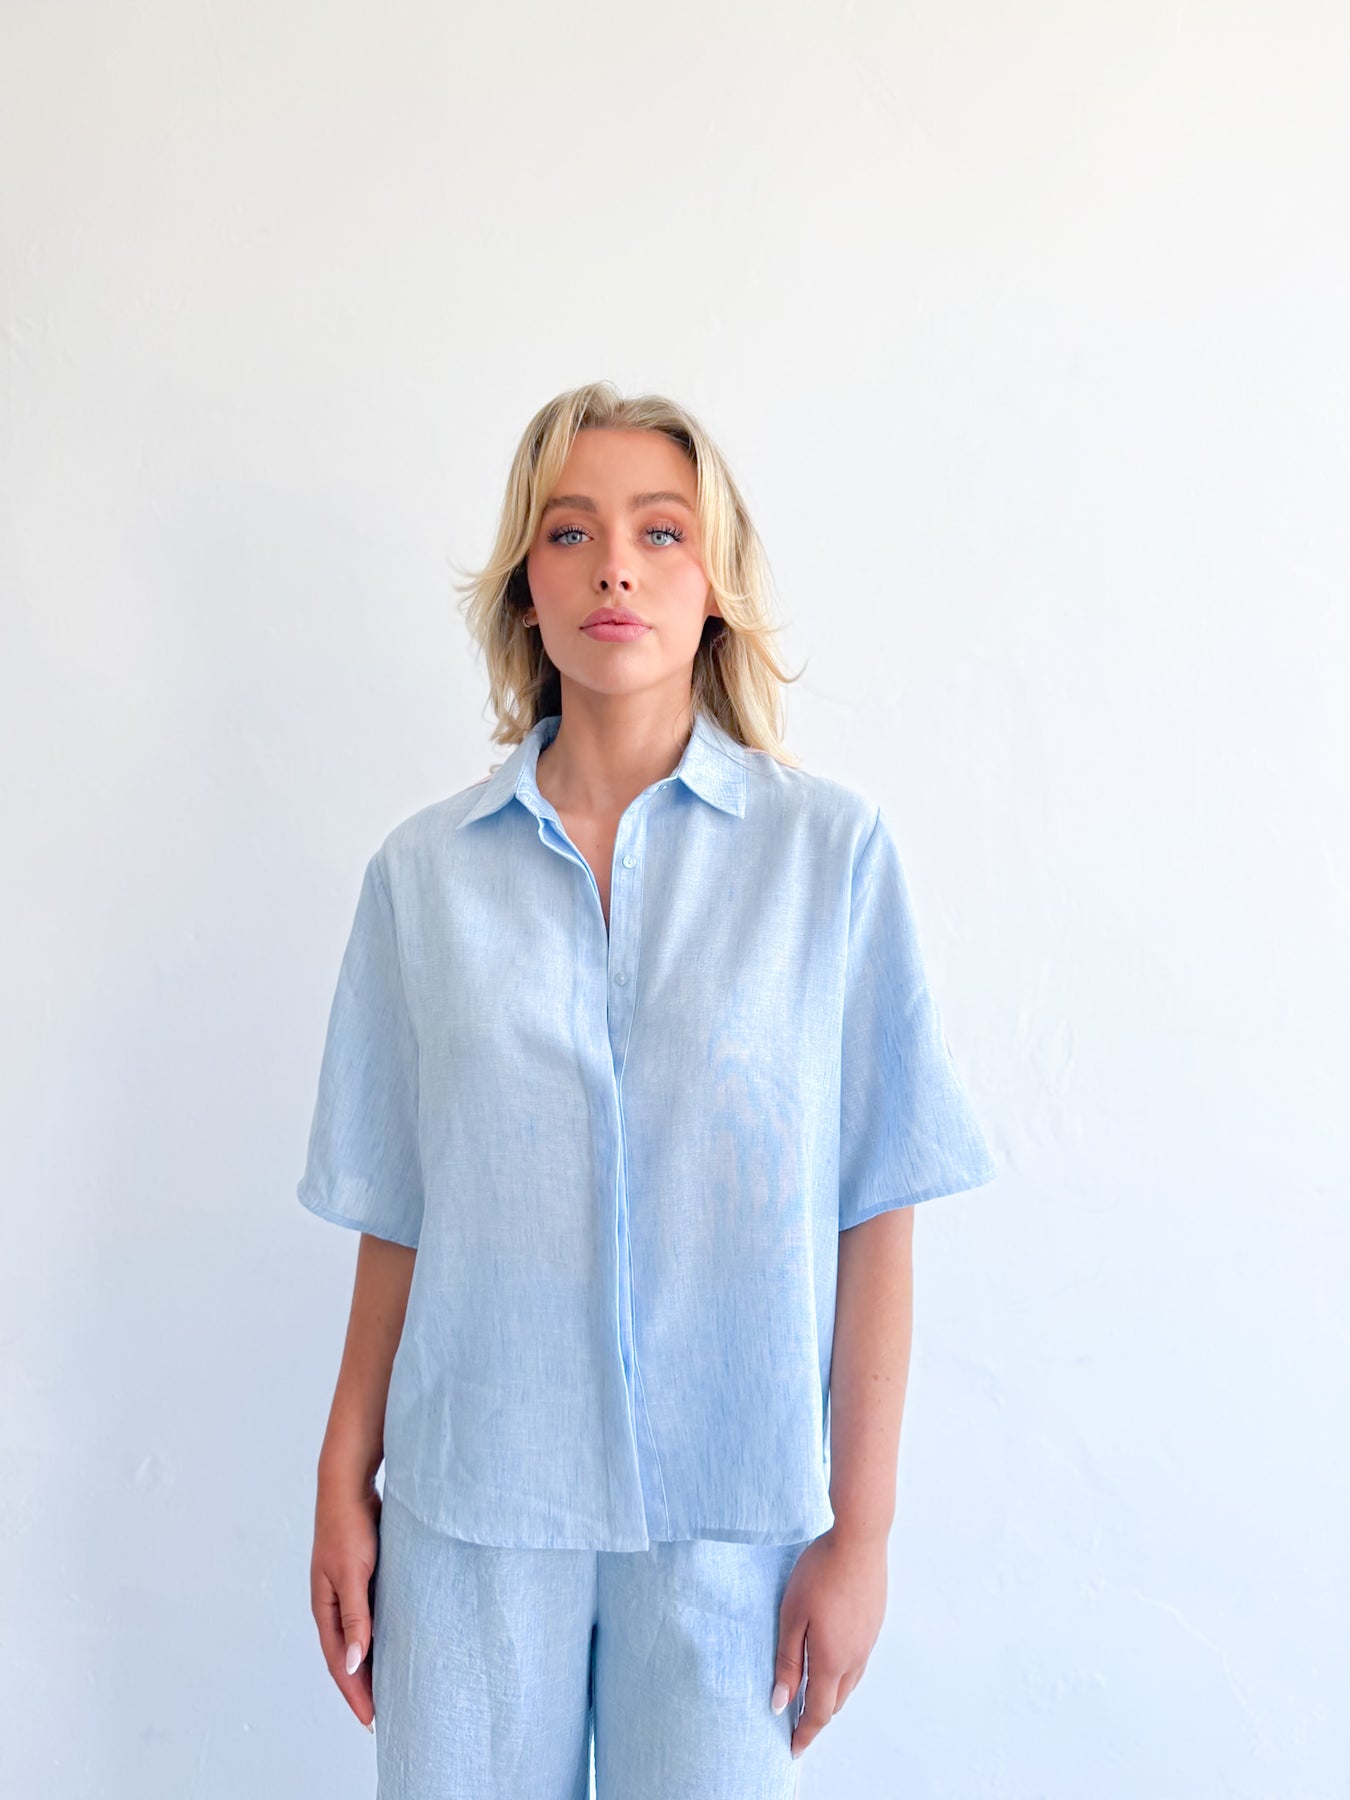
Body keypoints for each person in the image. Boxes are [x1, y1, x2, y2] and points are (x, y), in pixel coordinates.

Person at [296, 380, 997, 1799]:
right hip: (473, 1507)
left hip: (733, 1528)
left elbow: (879, 1213)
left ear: (715, 582)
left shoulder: (831, 861)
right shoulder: (421, 878)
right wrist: (340, 1485)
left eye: (660, 531)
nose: (614, 565)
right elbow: (397, 1212)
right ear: (525, 586)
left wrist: (859, 1536)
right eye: (570, 532)